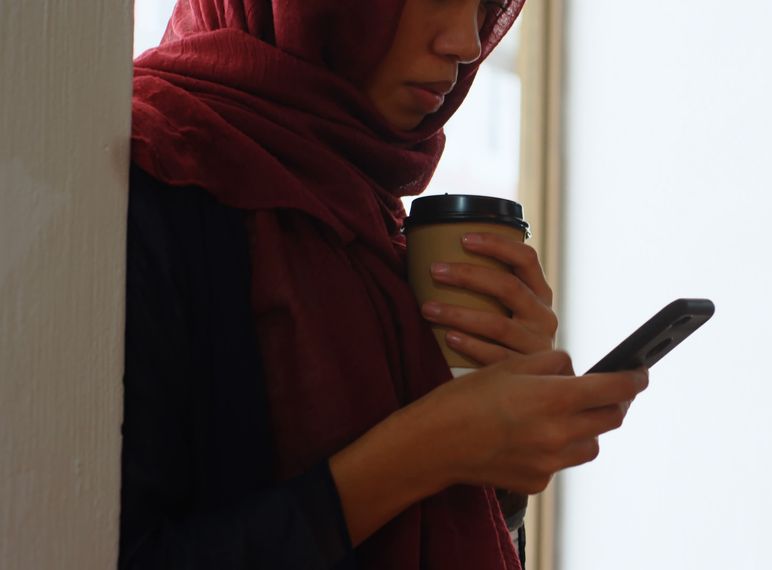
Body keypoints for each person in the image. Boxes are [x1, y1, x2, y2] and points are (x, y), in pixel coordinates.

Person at [122, 0, 649, 568]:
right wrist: (426, 449)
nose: (466, 44)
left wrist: (498, 445)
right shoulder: (146, 174)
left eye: (484, 7)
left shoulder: (365, 208)